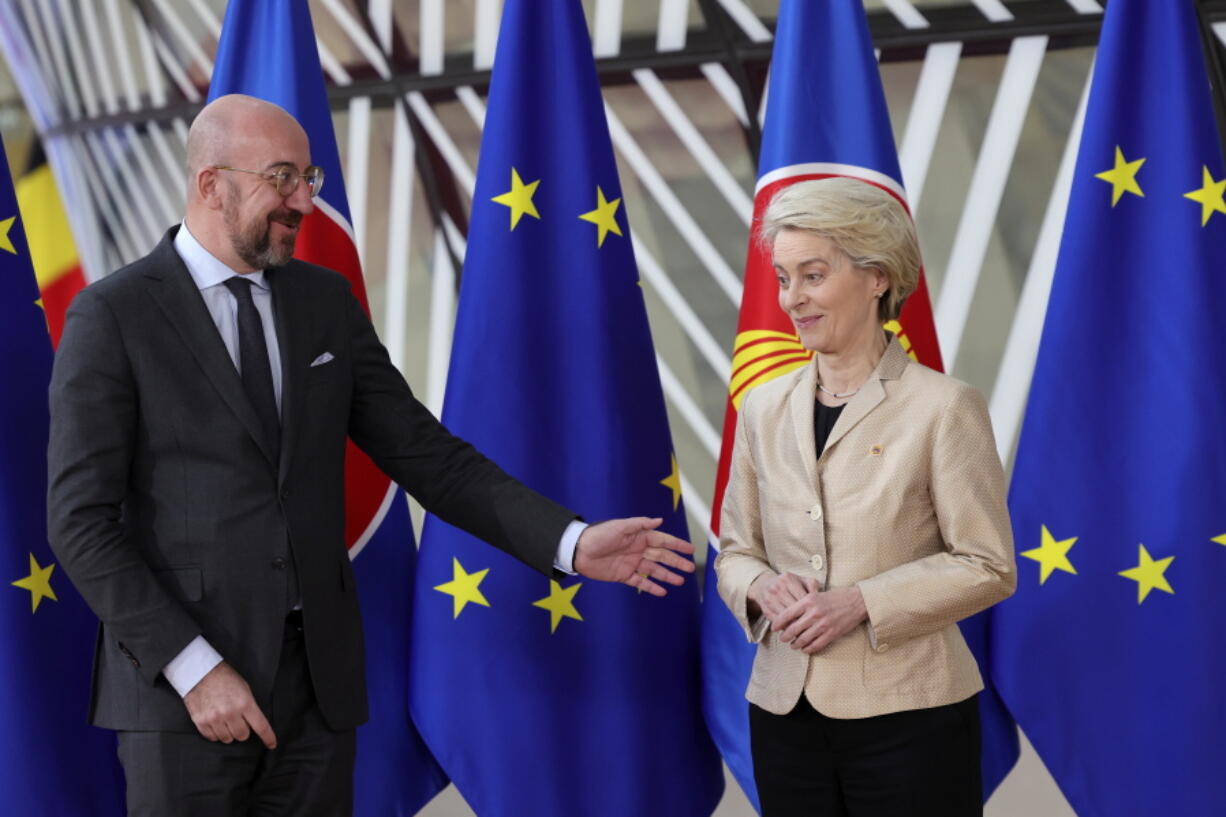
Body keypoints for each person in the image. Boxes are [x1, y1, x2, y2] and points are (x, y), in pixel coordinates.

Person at [46, 94, 695, 817]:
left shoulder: (323, 300)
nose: (304, 201)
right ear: (210, 184)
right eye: (282, 178)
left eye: (310, 178)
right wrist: (195, 669)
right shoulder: (113, 315)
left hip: (319, 695)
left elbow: (427, 455)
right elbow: (80, 521)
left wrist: (570, 541)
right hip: (182, 698)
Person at [715, 177, 1016, 816]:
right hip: (783, 712)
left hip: (912, 715)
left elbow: (988, 565)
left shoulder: (945, 407)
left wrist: (860, 603)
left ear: (877, 276)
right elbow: (736, 551)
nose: (792, 299)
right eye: (783, 278)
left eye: (813, 276)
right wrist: (761, 587)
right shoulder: (762, 406)